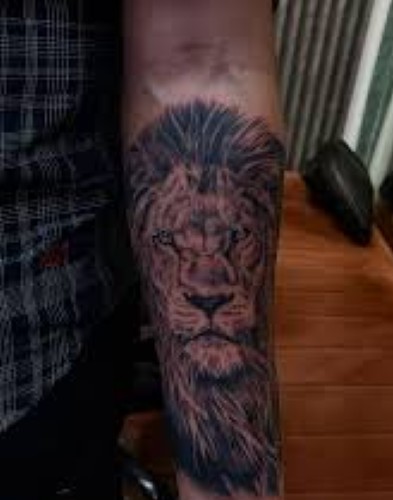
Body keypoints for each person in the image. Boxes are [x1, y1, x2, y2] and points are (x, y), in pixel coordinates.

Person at [0, 1, 284, 499]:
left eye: (232, 241)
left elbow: (201, 64)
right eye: (175, 241)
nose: (208, 284)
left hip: (39, 358)